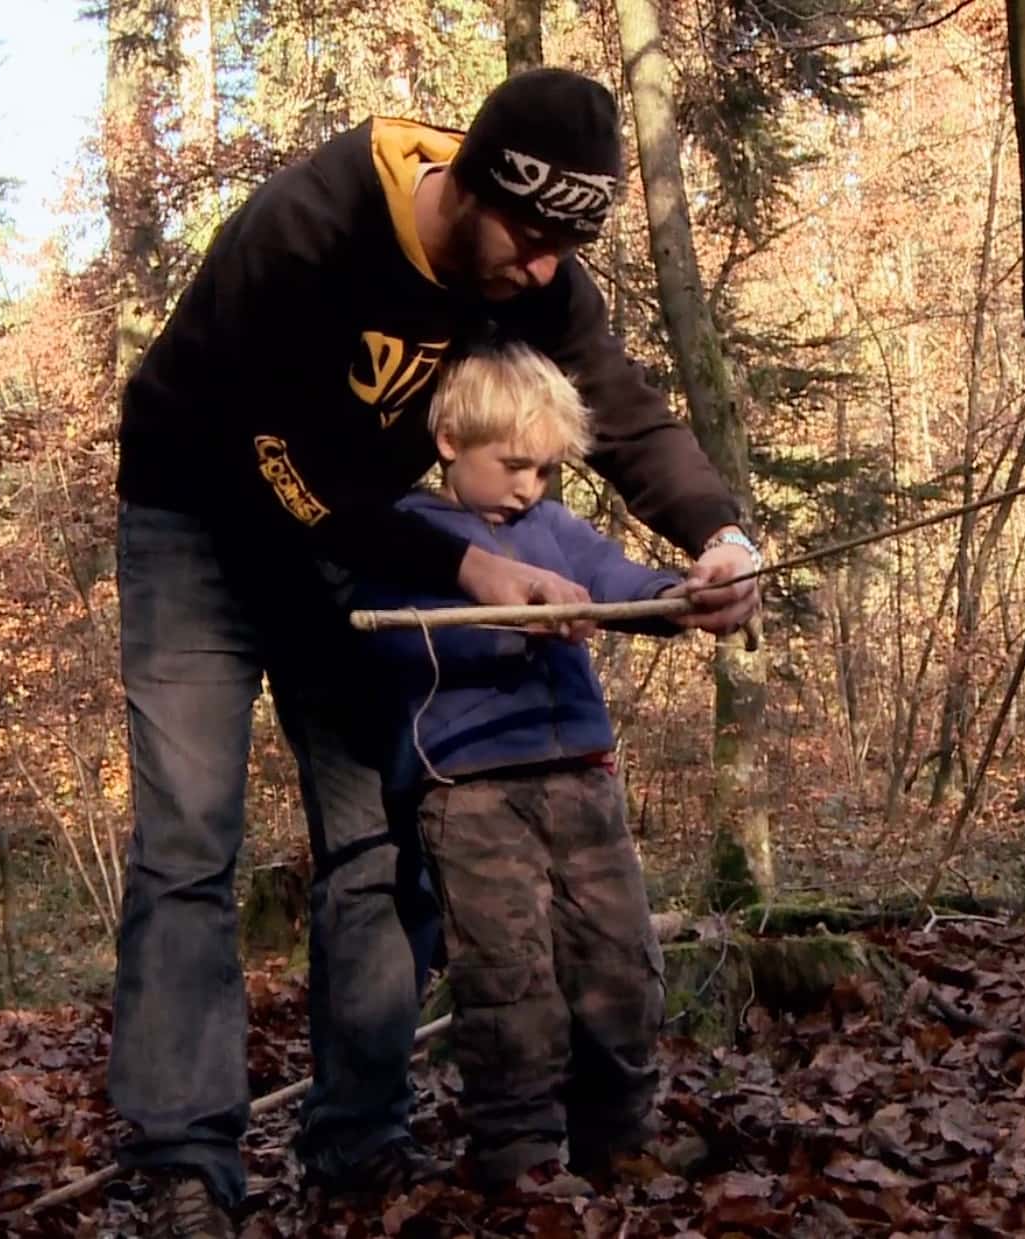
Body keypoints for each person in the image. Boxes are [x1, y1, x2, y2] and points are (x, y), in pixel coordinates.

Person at [108, 67, 764, 1238]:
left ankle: (357, 1144)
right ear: (466, 187)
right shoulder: (309, 228)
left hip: (360, 534)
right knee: (187, 847)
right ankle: (179, 1164)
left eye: (571, 243)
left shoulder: (538, 269)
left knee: (372, 841)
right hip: (196, 513)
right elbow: (269, 455)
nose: (546, 268)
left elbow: (621, 411)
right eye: (531, 237)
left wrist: (718, 537)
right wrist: (463, 567)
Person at [358, 343, 681, 1192]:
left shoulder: (554, 528)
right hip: (470, 791)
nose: (527, 486)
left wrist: (682, 596)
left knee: (617, 959)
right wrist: (513, 622)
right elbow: (410, 641)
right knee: (508, 978)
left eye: (542, 468)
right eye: (510, 464)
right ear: (449, 441)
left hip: (581, 775)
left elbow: (618, 579)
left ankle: (620, 1136)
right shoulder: (410, 531)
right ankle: (522, 1154)